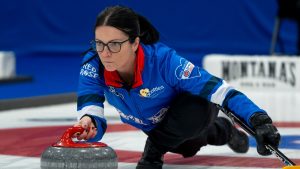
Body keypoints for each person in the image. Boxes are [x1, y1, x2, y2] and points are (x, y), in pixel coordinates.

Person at [74, 5, 281, 169]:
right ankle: (225, 131)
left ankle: (154, 152)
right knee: (189, 147)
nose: (105, 53)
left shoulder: (164, 61)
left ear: (135, 43)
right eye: (99, 43)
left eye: (114, 44)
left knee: (195, 109)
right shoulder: (93, 63)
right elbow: (90, 101)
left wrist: (259, 120)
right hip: (160, 127)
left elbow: (218, 89)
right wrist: (88, 122)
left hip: (194, 109)